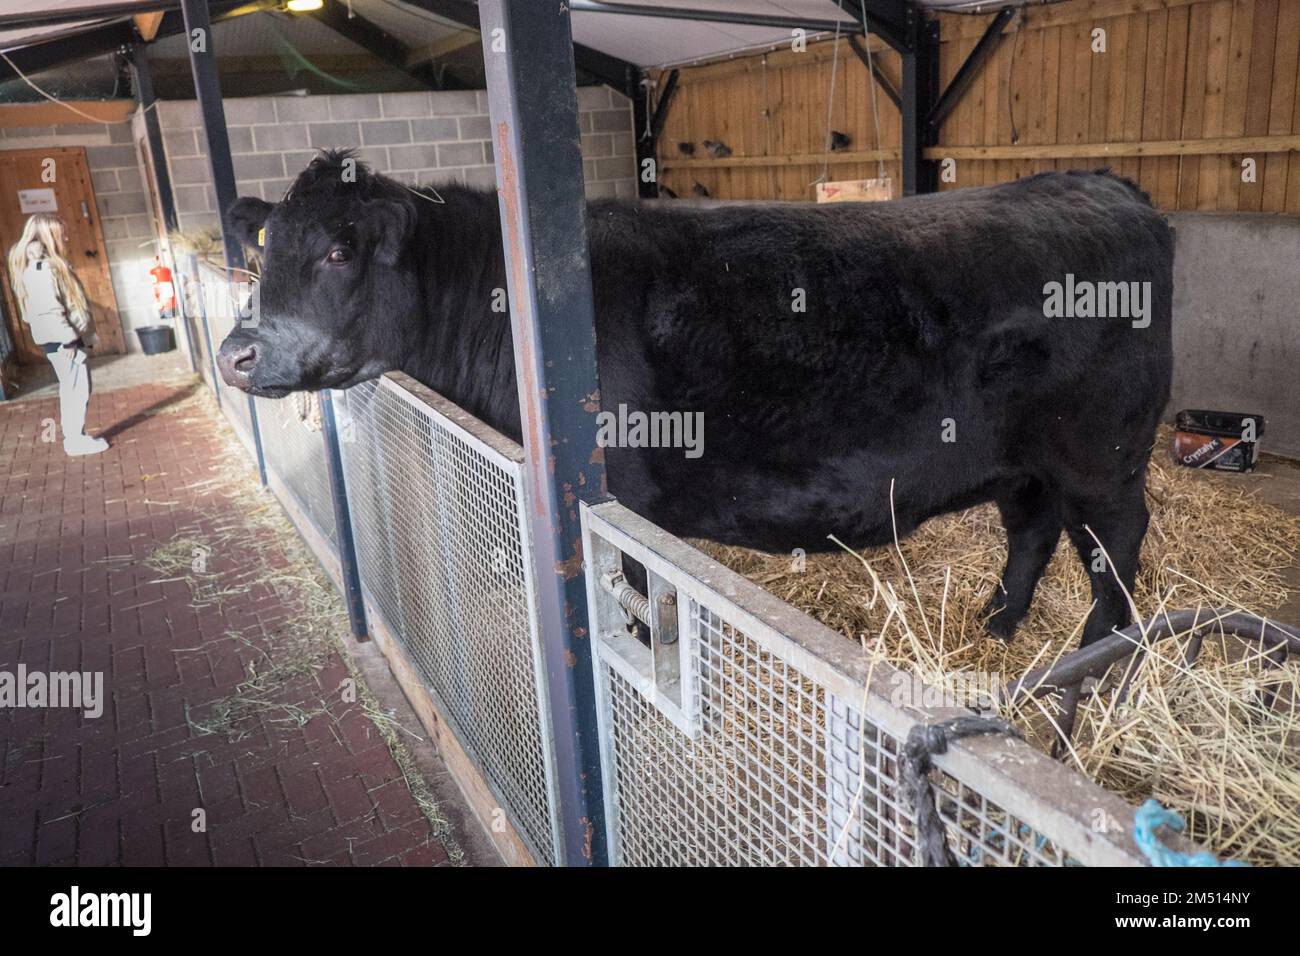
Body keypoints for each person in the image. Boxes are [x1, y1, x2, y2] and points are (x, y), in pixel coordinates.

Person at [6, 213, 108, 456]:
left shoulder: (45, 265)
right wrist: (69, 338)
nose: (66, 235)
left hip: (63, 339)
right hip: (64, 341)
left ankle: (76, 437)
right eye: (61, 231)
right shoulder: (42, 269)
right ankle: (75, 440)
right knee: (76, 388)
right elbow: (48, 310)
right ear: (49, 235)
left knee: (76, 387)